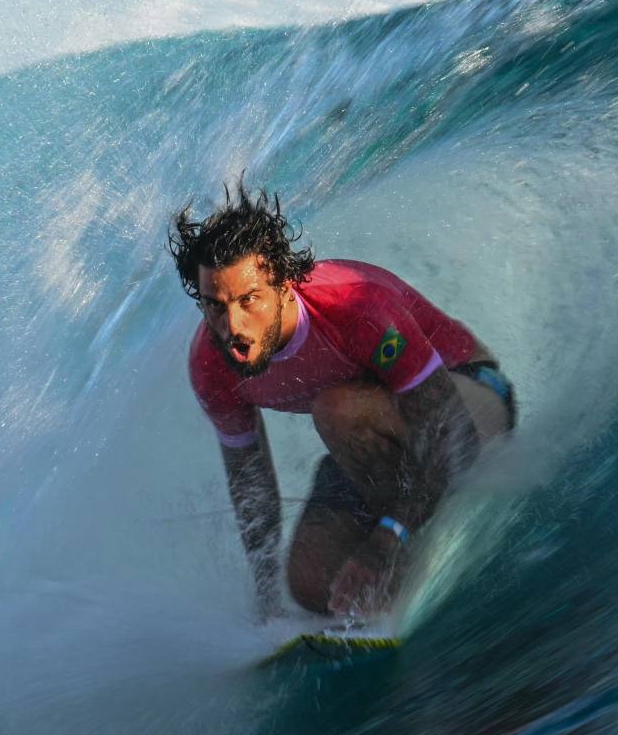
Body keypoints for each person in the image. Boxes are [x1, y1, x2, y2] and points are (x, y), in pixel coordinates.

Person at [169, 184, 515, 619]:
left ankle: (407, 539)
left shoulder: (355, 308)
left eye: (248, 300)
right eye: (214, 306)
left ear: (281, 281)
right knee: (311, 584)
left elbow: (452, 433)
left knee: (337, 410)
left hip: (466, 395)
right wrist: (266, 603)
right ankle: (391, 568)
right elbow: (251, 487)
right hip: (372, 440)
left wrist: (391, 534)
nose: (232, 326)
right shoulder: (210, 364)